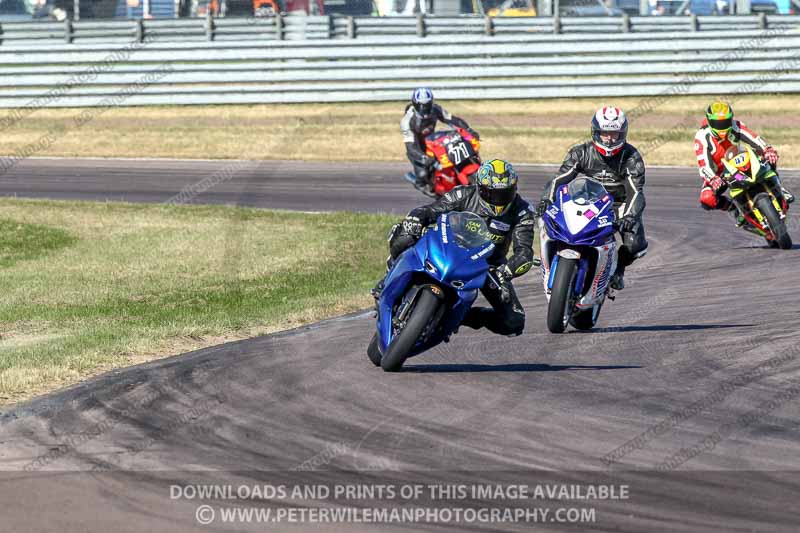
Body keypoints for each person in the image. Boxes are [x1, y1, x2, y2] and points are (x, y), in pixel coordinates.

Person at [373, 159, 535, 337]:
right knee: (405, 232)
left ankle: (461, 316)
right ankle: (388, 277)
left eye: (505, 193)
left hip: (487, 265)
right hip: (448, 246)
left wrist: (507, 271)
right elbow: (432, 210)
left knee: (514, 322)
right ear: (480, 188)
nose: (499, 200)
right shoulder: (463, 194)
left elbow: (524, 252)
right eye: (492, 193)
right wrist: (417, 217)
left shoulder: (522, 211)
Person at [536, 106, 648, 291]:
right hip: (587, 201)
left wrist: (629, 217)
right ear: (595, 132)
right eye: (605, 133)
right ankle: (550, 263)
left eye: (615, 134)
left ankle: (617, 270)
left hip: (618, 205)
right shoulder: (580, 152)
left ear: (623, 133)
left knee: (635, 245)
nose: (610, 139)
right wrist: (546, 200)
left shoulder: (632, 157)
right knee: (551, 224)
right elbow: (559, 179)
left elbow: (636, 192)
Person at [694, 101, 793, 218]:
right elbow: (703, 164)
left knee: (769, 156)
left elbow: (754, 138)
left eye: (725, 122)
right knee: (707, 199)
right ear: (709, 121)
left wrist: (767, 149)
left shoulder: (736, 125)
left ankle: (778, 188)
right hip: (720, 175)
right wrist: (713, 178)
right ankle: (733, 209)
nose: (723, 128)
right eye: (718, 123)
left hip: (739, 162)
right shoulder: (702, 136)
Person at [401, 87, 478, 193]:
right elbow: (410, 146)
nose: (424, 108)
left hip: (432, 141)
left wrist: (468, 130)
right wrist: (423, 158)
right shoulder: (407, 121)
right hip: (417, 147)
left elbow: (453, 120)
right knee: (422, 174)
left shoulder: (435, 109)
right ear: (415, 104)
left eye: (427, 105)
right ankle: (426, 186)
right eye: (421, 106)